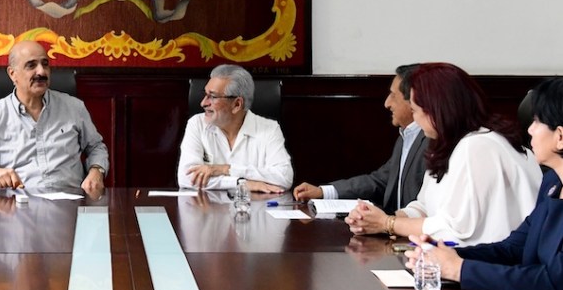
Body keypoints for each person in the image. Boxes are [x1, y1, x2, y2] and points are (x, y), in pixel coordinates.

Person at [347, 62, 541, 245]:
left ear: (436, 110)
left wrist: (388, 223)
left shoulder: (478, 146)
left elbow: (455, 229)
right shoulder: (449, 144)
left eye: (415, 110)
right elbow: (425, 206)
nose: (415, 119)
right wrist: (374, 219)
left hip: (495, 263)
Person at [406, 77, 563, 290]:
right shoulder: (552, 183)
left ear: (560, 137)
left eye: (537, 122)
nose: (529, 129)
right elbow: (513, 249)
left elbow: (554, 282)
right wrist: (444, 255)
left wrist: (460, 270)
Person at [0, 41, 109, 198]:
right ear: (12, 74)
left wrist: (97, 170)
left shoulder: (74, 107)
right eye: (31, 65)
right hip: (16, 206)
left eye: (45, 64)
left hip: (69, 204)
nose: (41, 72)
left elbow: (96, 147)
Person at [293, 64, 427, 212]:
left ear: (414, 100)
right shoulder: (406, 135)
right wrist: (323, 192)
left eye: (393, 96)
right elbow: (380, 180)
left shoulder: (432, 141)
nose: (387, 103)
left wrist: (387, 222)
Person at [177, 64, 293, 192]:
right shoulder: (197, 124)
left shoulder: (270, 129)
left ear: (237, 104)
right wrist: (241, 183)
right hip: (208, 205)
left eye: (213, 97)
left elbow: (284, 177)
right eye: (205, 94)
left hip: (254, 204)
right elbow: (186, 178)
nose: (203, 103)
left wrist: (226, 169)